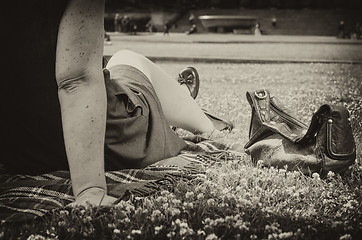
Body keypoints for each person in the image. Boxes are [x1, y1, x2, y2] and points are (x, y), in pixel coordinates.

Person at [2, 0, 229, 207]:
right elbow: (77, 81)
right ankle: (207, 124)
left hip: (22, 152)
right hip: (111, 141)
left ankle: (183, 99)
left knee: (122, 70)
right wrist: (90, 189)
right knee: (128, 59)